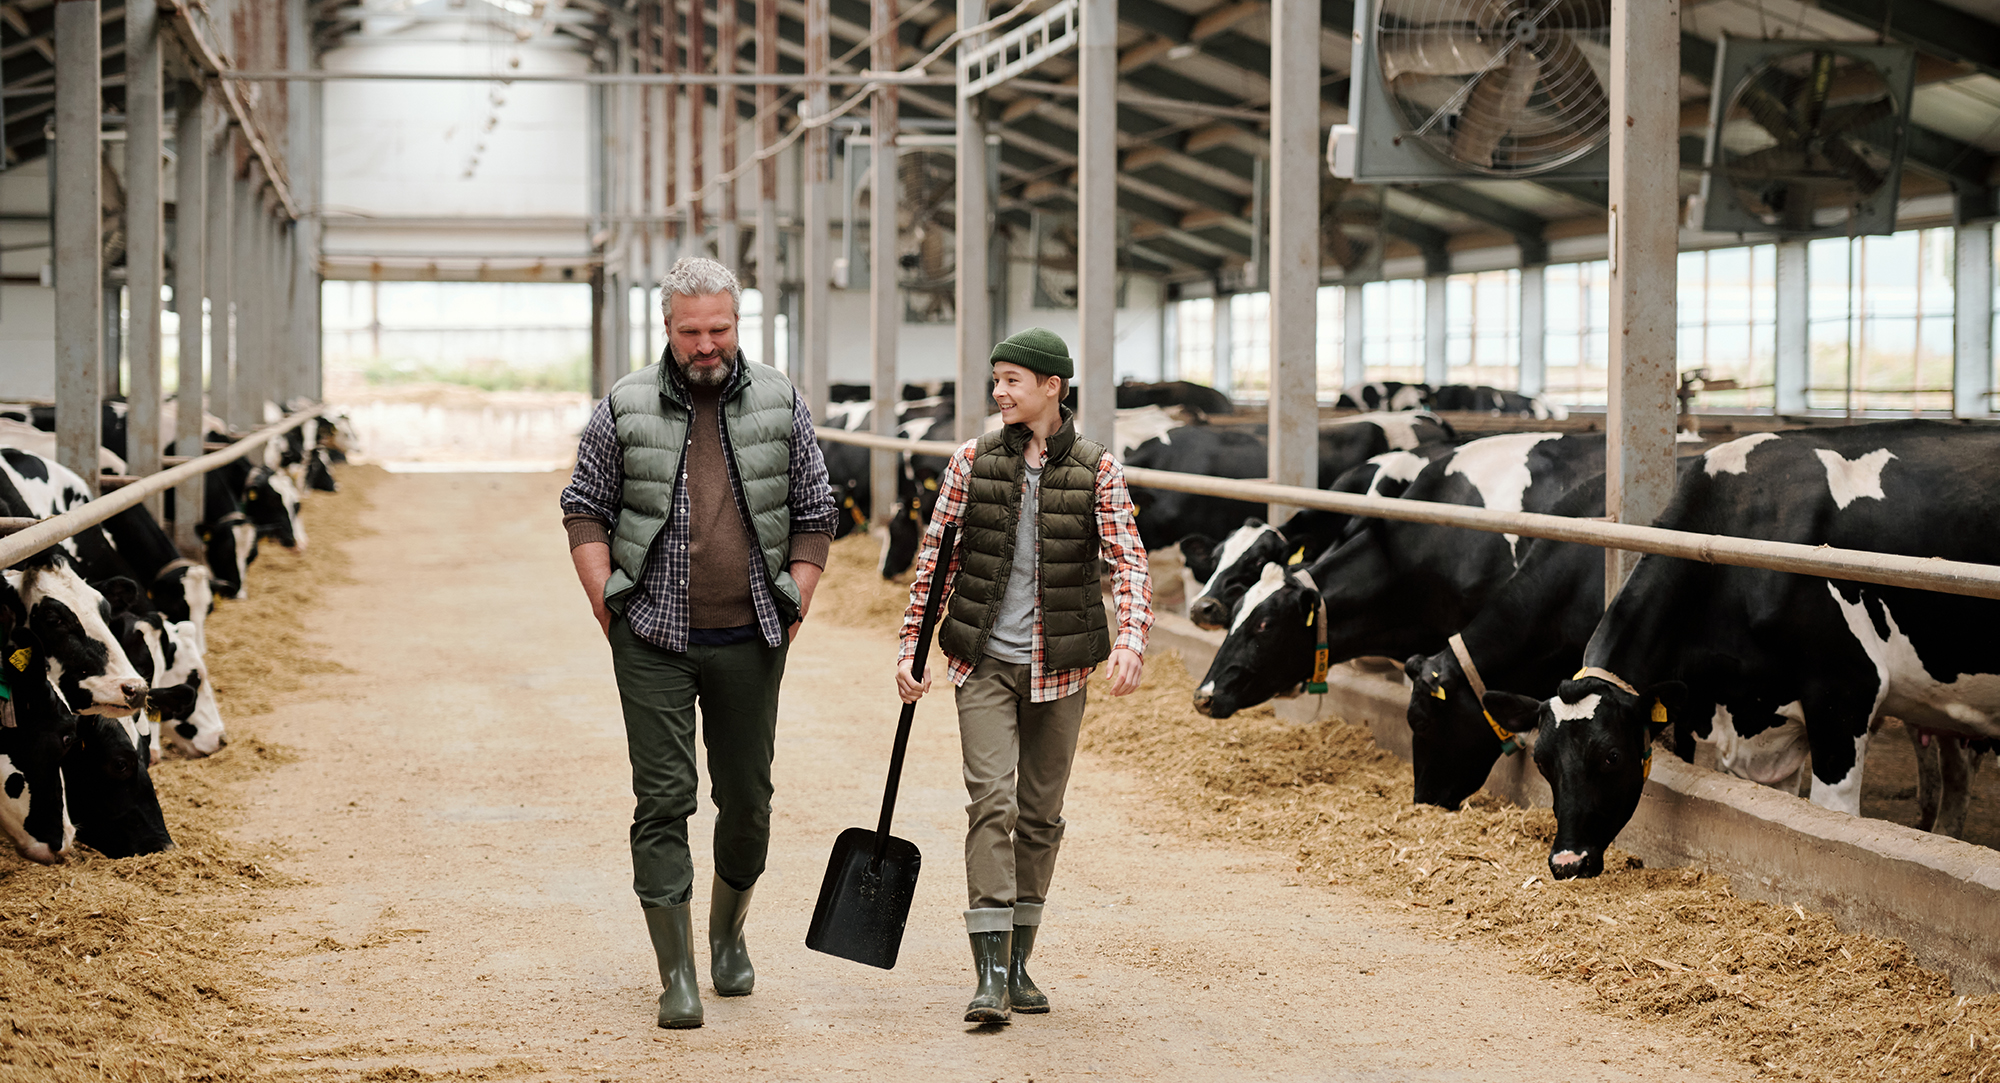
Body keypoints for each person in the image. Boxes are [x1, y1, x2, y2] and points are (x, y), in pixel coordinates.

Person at [560, 256, 838, 1030]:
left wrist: (799, 598)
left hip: (752, 631)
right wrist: (603, 600)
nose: (706, 344)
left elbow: (818, 508)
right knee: (664, 801)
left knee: (746, 801)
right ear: (668, 329)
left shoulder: (782, 401)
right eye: (692, 331)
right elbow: (583, 507)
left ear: (737, 323)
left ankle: (727, 936)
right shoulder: (625, 404)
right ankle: (675, 972)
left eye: (719, 328)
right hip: (651, 636)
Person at [895, 327, 1153, 1024]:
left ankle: (1017, 962)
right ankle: (987, 975)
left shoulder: (1097, 468)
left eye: (1011, 379)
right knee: (993, 805)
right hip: (980, 661)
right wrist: (909, 651)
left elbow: (1129, 560)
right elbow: (935, 560)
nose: (999, 391)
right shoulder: (970, 462)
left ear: (1052, 387)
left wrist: (1130, 638)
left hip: (1062, 671)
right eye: (996, 379)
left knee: (1040, 817)